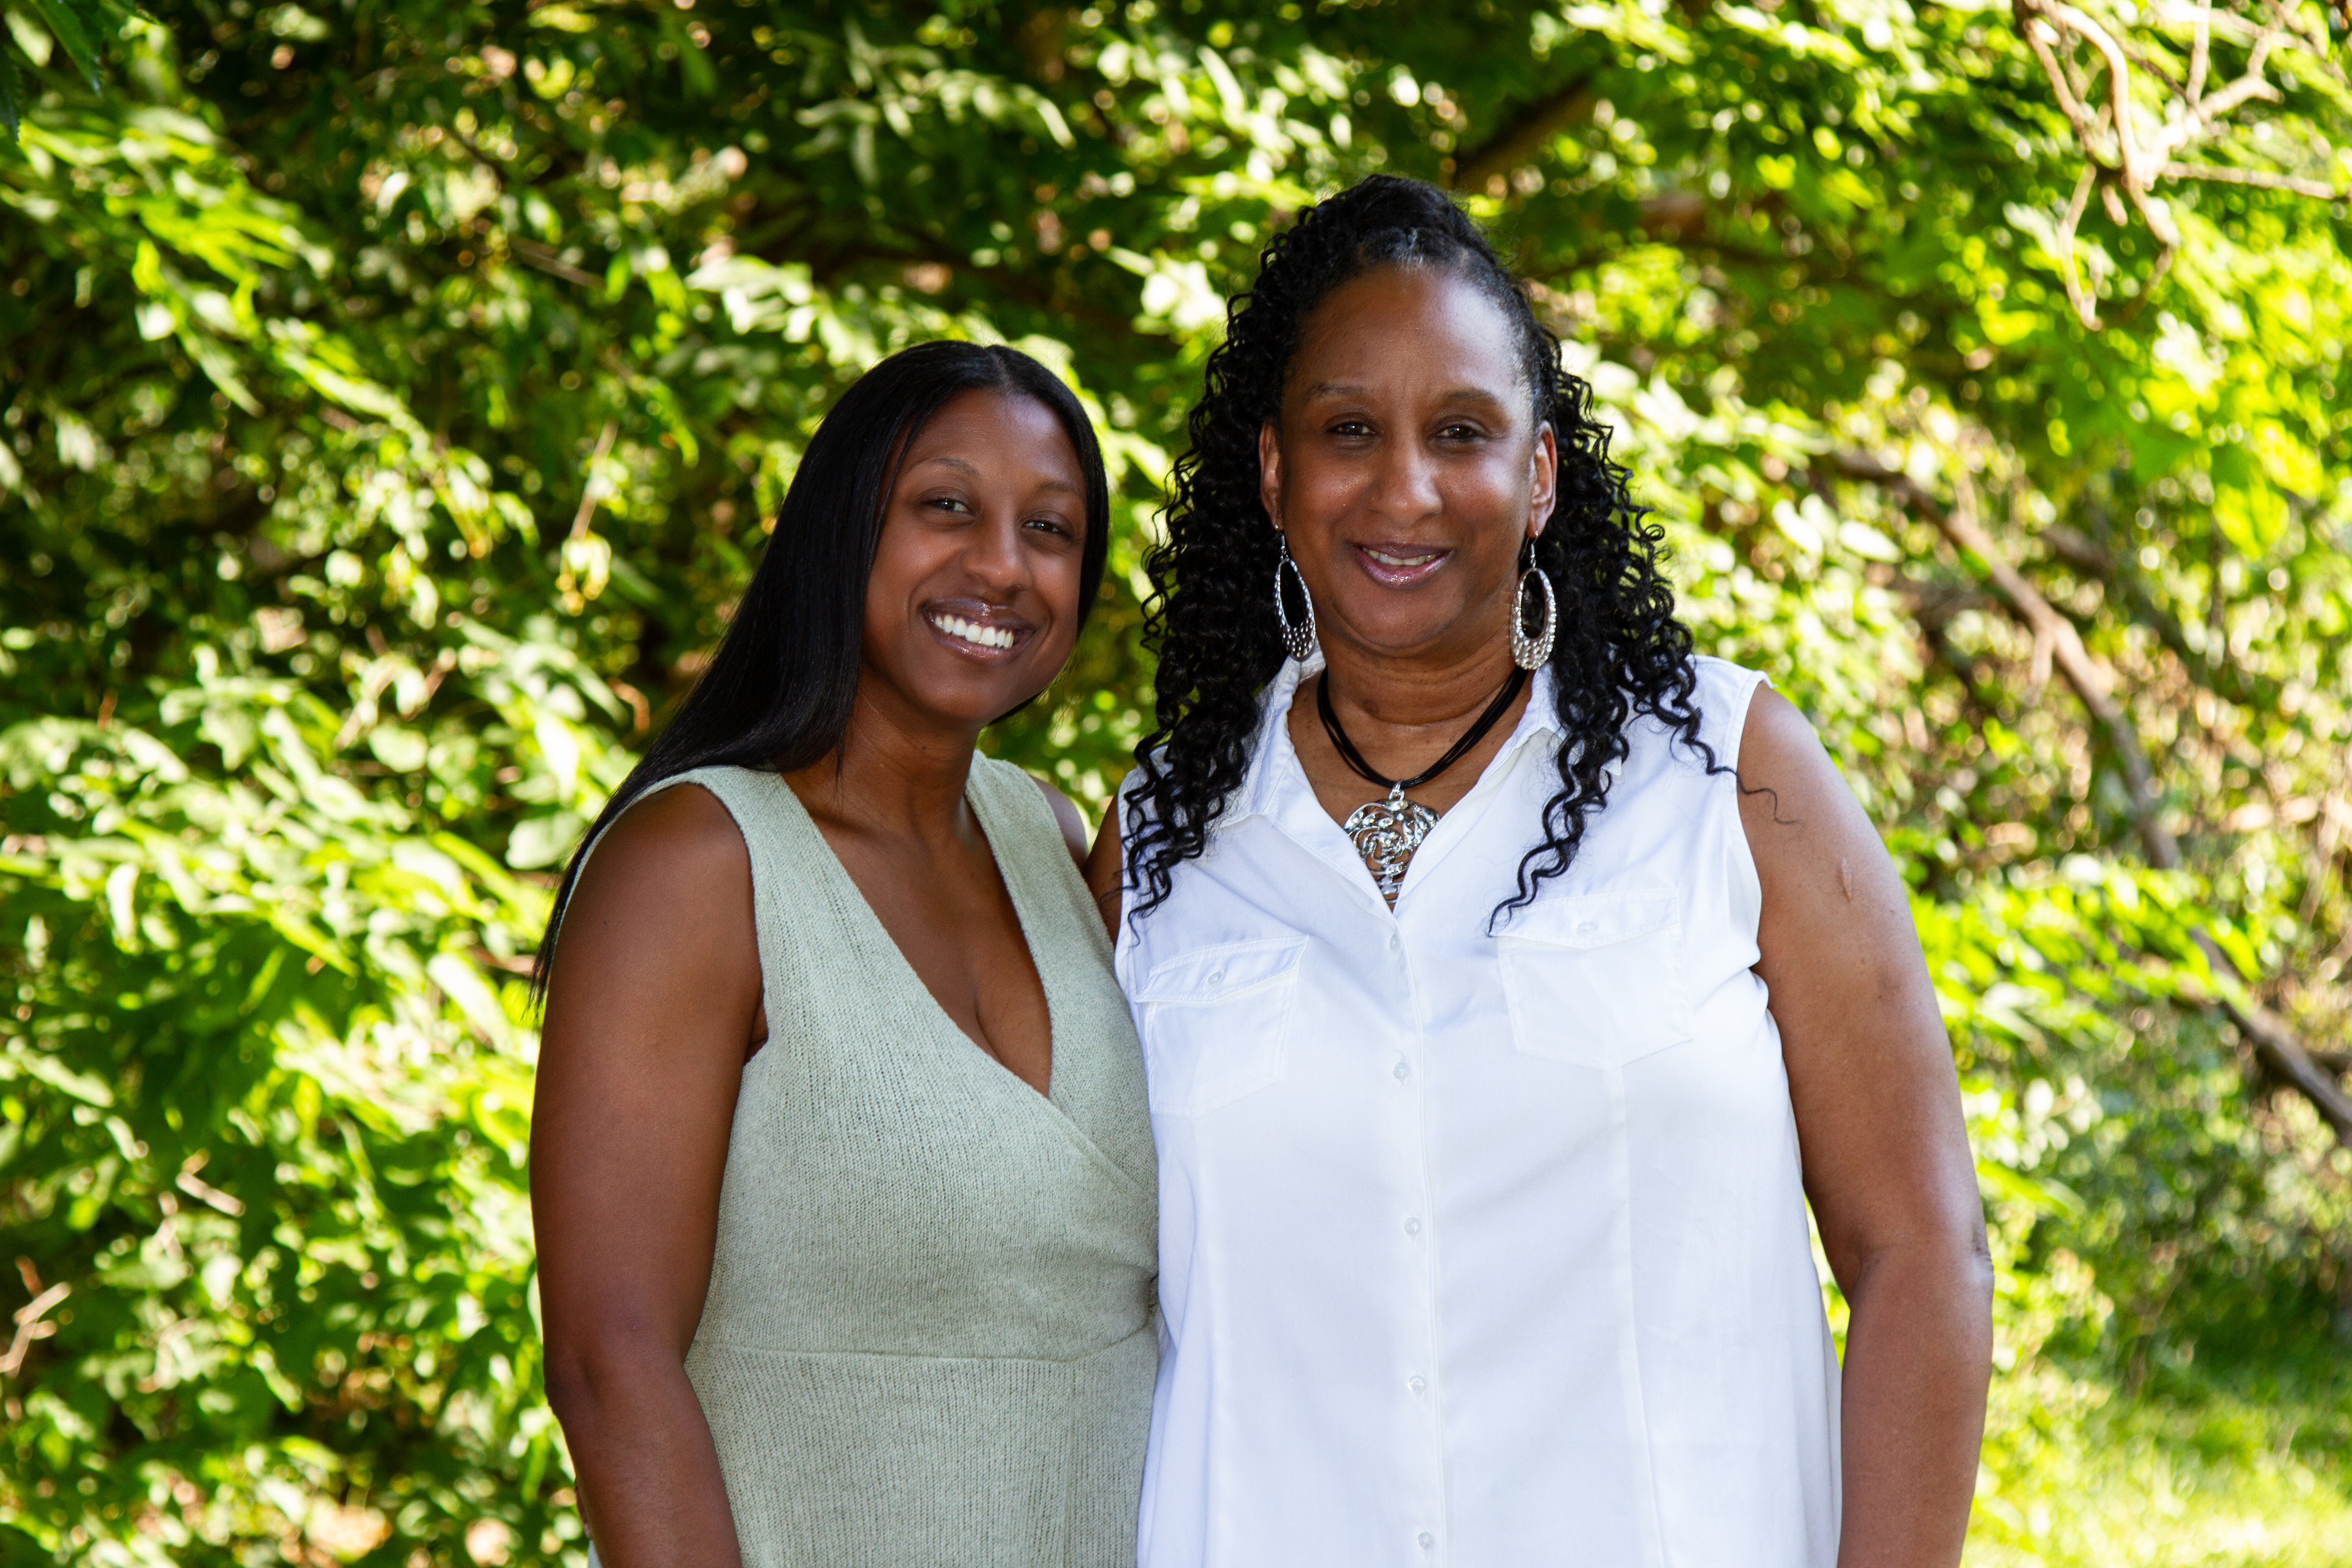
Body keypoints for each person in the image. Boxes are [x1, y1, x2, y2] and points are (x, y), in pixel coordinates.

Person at [1086, 176, 1992, 1568]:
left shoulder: (1726, 773)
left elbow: (1921, 1253)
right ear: (1273, 471)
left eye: (1462, 431)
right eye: (1347, 432)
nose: (1405, 487)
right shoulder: (1157, 840)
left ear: (1544, 471)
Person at [532, 341, 1157, 1568]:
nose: (1002, 565)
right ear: (839, 529)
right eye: (945, 507)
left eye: (1052, 529)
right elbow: (610, 1365)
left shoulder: (1057, 838)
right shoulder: (700, 863)